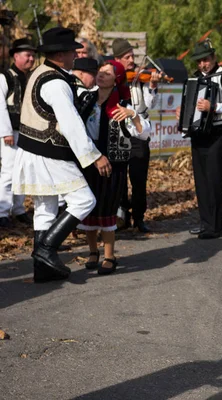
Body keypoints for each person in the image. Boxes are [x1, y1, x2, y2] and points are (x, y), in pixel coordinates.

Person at [12, 27, 111, 283]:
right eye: (72, 51)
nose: (76, 55)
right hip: (49, 153)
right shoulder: (56, 82)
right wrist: (94, 156)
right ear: (62, 54)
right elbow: (70, 125)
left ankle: (43, 269)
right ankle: (45, 249)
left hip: (32, 150)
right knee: (84, 200)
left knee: (46, 208)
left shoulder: (41, 73)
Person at [79, 61, 151, 275]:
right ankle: (93, 251)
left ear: (116, 79)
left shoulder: (123, 105)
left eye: (107, 73)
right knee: (88, 209)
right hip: (88, 162)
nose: (101, 75)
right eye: (100, 72)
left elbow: (144, 133)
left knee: (107, 209)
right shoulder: (86, 99)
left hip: (113, 165)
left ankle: (109, 255)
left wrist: (134, 116)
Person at [185, 40, 222, 239]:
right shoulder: (195, 78)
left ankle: (216, 225)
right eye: (199, 62)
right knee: (201, 180)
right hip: (199, 133)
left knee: (214, 178)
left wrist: (214, 107)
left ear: (214, 57)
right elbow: (190, 104)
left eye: (205, 60)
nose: (202, 65)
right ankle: (206, 222)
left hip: (217, 132)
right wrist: (183, 113)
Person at [113, 38, 159, 233]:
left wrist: (153, 87)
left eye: (132, 56)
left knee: (139, 179)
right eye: (127, 57)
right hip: (120, 133)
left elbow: (150, 104)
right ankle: (122, 216)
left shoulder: (139, 79)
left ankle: (139, 217)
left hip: (139, 133)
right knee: (120, 178)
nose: (131, 60)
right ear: (117, 59)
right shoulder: (113, 79)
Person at [0, 38, 36, 228]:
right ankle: (2, 211)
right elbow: (0, 106)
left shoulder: (31, 77)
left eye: (32, 55)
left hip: (26, 132)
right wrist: (6, 132)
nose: (31, 58)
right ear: (16, 56)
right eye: (27, 55)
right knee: (8, 172)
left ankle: (18, 209)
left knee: (23, 171)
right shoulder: (4, 77)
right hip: (10, 132)